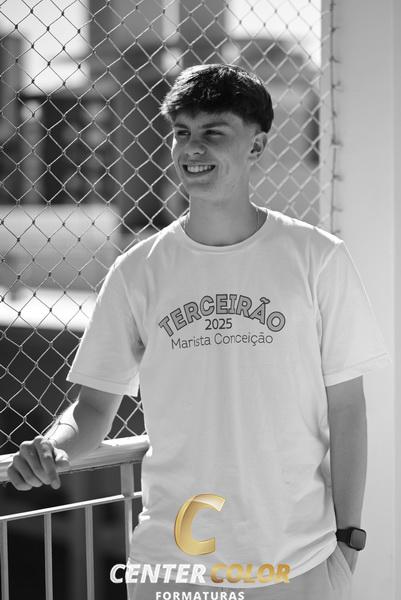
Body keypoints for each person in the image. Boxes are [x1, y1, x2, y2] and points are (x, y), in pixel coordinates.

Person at [8, 64, 391, 600]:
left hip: (295, 561)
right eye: (181, 131)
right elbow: (93, 408)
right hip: (171, 566)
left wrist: (349, 539)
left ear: (256, 146)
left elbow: (347, 409)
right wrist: (51, 447)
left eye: (213, 132)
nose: (193, 147)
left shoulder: (317, 258)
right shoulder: (138, 270)